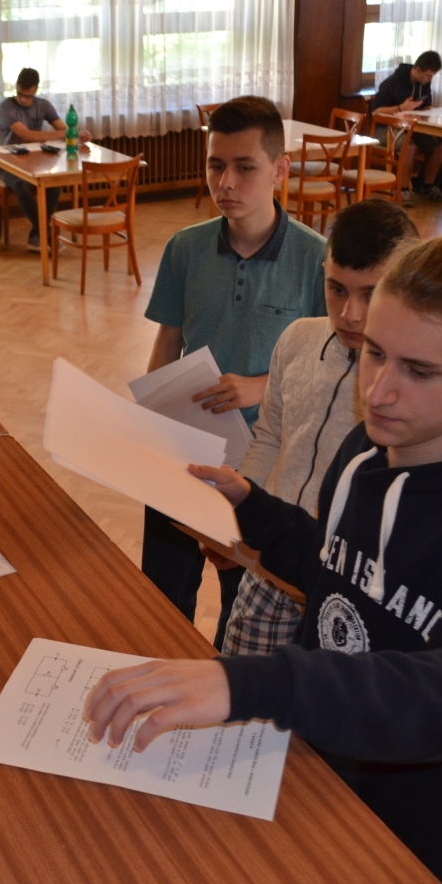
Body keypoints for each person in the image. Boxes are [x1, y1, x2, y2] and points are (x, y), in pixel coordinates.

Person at [84, 234, 442, 884]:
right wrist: (254, 508)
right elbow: (336, 573)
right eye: (374, 352)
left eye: (419, 371)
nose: (379, 391)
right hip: (305, 764)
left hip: (403, 820)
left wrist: (257, 683)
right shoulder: (364, 454)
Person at [140, 96, 327, 639]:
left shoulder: (316, 260)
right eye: (216, 166)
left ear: (280, 169)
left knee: (239, 605)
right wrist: (149, 417)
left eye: (245, 167)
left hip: (260, 466)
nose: (226, 183)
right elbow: (168, 338)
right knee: (161, 597)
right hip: (183, 448)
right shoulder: (185, 248)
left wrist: (261, 388)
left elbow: (326, 367)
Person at [222, 199, 418, 656]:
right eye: (337, 289)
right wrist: (239, 517)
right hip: (270, 565)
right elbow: (270, 436)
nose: (350, 313)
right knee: (242, 681)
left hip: (346, 587)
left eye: (371, 294)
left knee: (317, 696)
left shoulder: (408, 387)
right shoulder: (296, 339)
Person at [0, 67, 92, 252]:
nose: (23, 99)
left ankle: (36, 235)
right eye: (20, 94)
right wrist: (63, 133)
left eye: (28, 96)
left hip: (36, 161)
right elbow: (27, 135)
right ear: (16, 87)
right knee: (22, 185)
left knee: (54, 184)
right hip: (7, 162)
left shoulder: (43, 105)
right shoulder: (6, 107)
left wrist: (78, 134)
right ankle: (47, 233)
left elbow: (63, 128)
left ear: (36, 90)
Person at [372, 51, 442, 202]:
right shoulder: (392, 83)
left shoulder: (424, 84)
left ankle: (426, 186)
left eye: (432, 76)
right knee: (409, 146)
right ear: (418, 70)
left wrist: (429, 112)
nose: (430, 79)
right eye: (428, 76)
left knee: (441, 145)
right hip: (385, 128)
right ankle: (403, 190)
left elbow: (426, 106)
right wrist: (401, 108)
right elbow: (376, 112)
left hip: (412, 127)